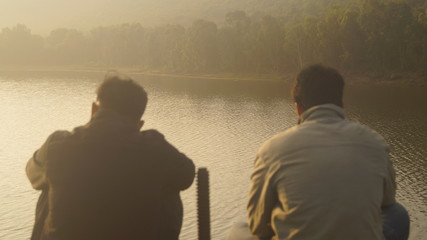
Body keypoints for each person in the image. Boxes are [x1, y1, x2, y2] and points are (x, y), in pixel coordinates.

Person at [229, 64, 410, 240]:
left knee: (239, 229)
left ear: (297, 107)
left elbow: (258, 226)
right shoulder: (375, 143)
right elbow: (387, 202)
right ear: (341, 103)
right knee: (398, 213)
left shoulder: (271, 150)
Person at [26, 73, 195, 240]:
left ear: (94, 109)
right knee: (168, 183)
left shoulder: (58, 144)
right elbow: (186, 175)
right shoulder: (155, 148)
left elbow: (32, 174)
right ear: (139, 124)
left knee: (48, 180)